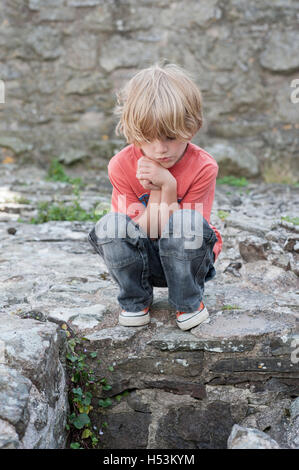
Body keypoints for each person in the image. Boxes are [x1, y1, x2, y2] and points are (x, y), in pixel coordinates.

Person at [88, 62, 222, 331]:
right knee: (110, 226)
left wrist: (168, 186)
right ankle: (136, 301)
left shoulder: (203, 167)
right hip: (142, 260)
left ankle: (188, 302)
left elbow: (191, 236)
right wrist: (159, 189)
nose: (161, 150)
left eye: (171, 137)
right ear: (133, 133)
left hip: (188, 262)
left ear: (192, 127)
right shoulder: (121, 165)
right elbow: (143, 232)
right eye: (148, 138)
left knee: (186, 222)